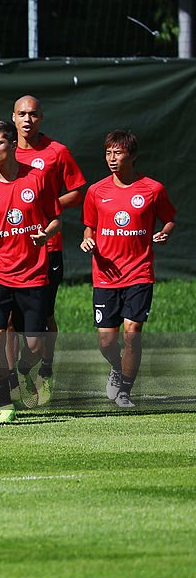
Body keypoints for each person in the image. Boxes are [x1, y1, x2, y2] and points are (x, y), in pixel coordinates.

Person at [0, 121, 60, 424]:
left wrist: (46, 235)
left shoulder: (37, 179)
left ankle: (21, 370)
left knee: (34, 345)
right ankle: (5, 404)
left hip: (33, 274)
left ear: (13, 146)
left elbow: (56, 219)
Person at [80, 129, 175, 408]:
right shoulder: (96, 191)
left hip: (139, 272)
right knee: (107, 342)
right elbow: (90, 228)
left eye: (118, 152)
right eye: (108, 152)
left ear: (132, 156)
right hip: (105, 276)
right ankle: (116, 367)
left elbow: (169, 219)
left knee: (132, 332)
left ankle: (124, 391)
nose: (112, 158)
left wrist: (165, 232)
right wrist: (87, 240)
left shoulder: (152, 189)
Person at [9, 95, 87, 404]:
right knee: (10, 320)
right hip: (10, 250)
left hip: (46, 248)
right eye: (22, 114)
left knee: (45, 315)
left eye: (33, 114)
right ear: (13, 117)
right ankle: (15, 377)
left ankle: (46, 370)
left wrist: (46, 209)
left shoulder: (57, 152)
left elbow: (77, 192)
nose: (28, 119)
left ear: (42, 118)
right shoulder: (3, 150)